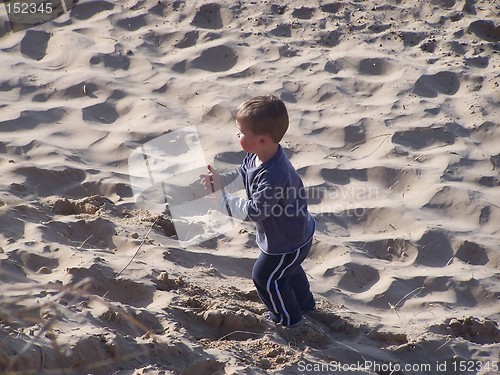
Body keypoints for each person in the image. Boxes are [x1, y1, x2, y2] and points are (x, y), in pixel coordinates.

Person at [200, 95, 316, 327]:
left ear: (262, 139)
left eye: (241, 132)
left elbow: (255, 211)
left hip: (287, 242)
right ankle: (306, 305)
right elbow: (243, 174)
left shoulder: (274, 175)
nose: (237, 135)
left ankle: (288, 320)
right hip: (295, 234)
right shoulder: (256, 157)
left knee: (265, 278)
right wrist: (220, 181)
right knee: (288, 272)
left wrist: (222, 201)